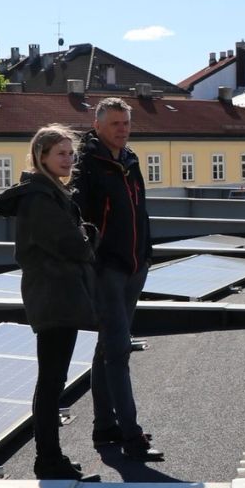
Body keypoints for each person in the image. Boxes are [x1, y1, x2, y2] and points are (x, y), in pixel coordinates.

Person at [0, 124, 100, 481]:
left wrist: (82, 236)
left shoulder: (49, 193)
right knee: (51, 381)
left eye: (71, 153)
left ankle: (51, 457)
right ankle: (47, 460)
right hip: (53, 295)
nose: (69, 159)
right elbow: (75, 246)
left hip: (55, 293)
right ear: (42, 157)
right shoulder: (40, 198)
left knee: (54, 379)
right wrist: (89, 234)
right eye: (61, 154)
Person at [70, 97, 164, 461]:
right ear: (98, 126)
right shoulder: (89, 165)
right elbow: (83, 218)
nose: (122, 130)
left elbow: (140, 211)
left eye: (126, 124)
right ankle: (131, 436)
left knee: (107, 348)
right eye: (115, 124)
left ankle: (104, 428)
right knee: (119, 350)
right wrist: (99, 259)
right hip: (107, 269)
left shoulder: (129, 160)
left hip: (134, 266)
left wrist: (147, 254)